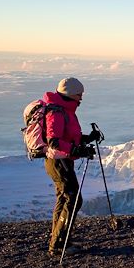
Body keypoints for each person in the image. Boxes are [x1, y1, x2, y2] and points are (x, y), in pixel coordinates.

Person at [42, 77, 100, 257]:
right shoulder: (57, 112)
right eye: (78, 95)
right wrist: (77, 150)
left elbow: (68, 137)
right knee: (73, 199)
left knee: (65, 199)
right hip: (59, 162)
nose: (80, 98)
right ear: (70, 94)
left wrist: (87, 139)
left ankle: (60, 239)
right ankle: (59, 245)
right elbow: (54, 141)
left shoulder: (65, 110)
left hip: (61, 162)